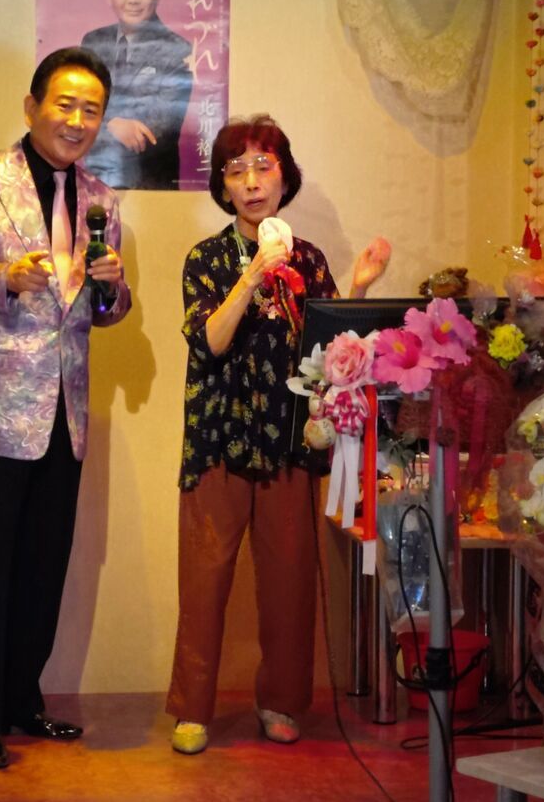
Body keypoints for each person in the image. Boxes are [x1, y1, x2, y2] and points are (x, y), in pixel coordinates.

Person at [0, 47, 132, 770]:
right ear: (32, 105)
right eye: (65, 104)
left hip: (65, 412)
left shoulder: (103, 199)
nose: (77, 120)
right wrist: (1, 277)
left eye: (91, 110)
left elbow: (107, 312)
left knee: (44, 564)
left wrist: (113, 285)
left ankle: (21, 700)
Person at [167, 115, 390, 755]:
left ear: (284, 178)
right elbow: (210, 341)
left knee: (290, 581)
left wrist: (358, 287)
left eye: (263, 167)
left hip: (290, 438)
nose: (251, 182)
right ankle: (193, 710)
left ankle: (283, 702)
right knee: (204, 581)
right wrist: (253, 275)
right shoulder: (206, 258)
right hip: (217, 438)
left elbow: (329, 349)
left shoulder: (309, 260)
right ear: (222, 186)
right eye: (236, 170)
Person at [80, 0, 192, 191]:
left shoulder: (177, 49)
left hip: (151, 190)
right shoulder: (93, 42)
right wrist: (112, 123)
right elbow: (78, 111)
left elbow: (157, 128)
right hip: (93, 185)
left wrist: (99, 120)